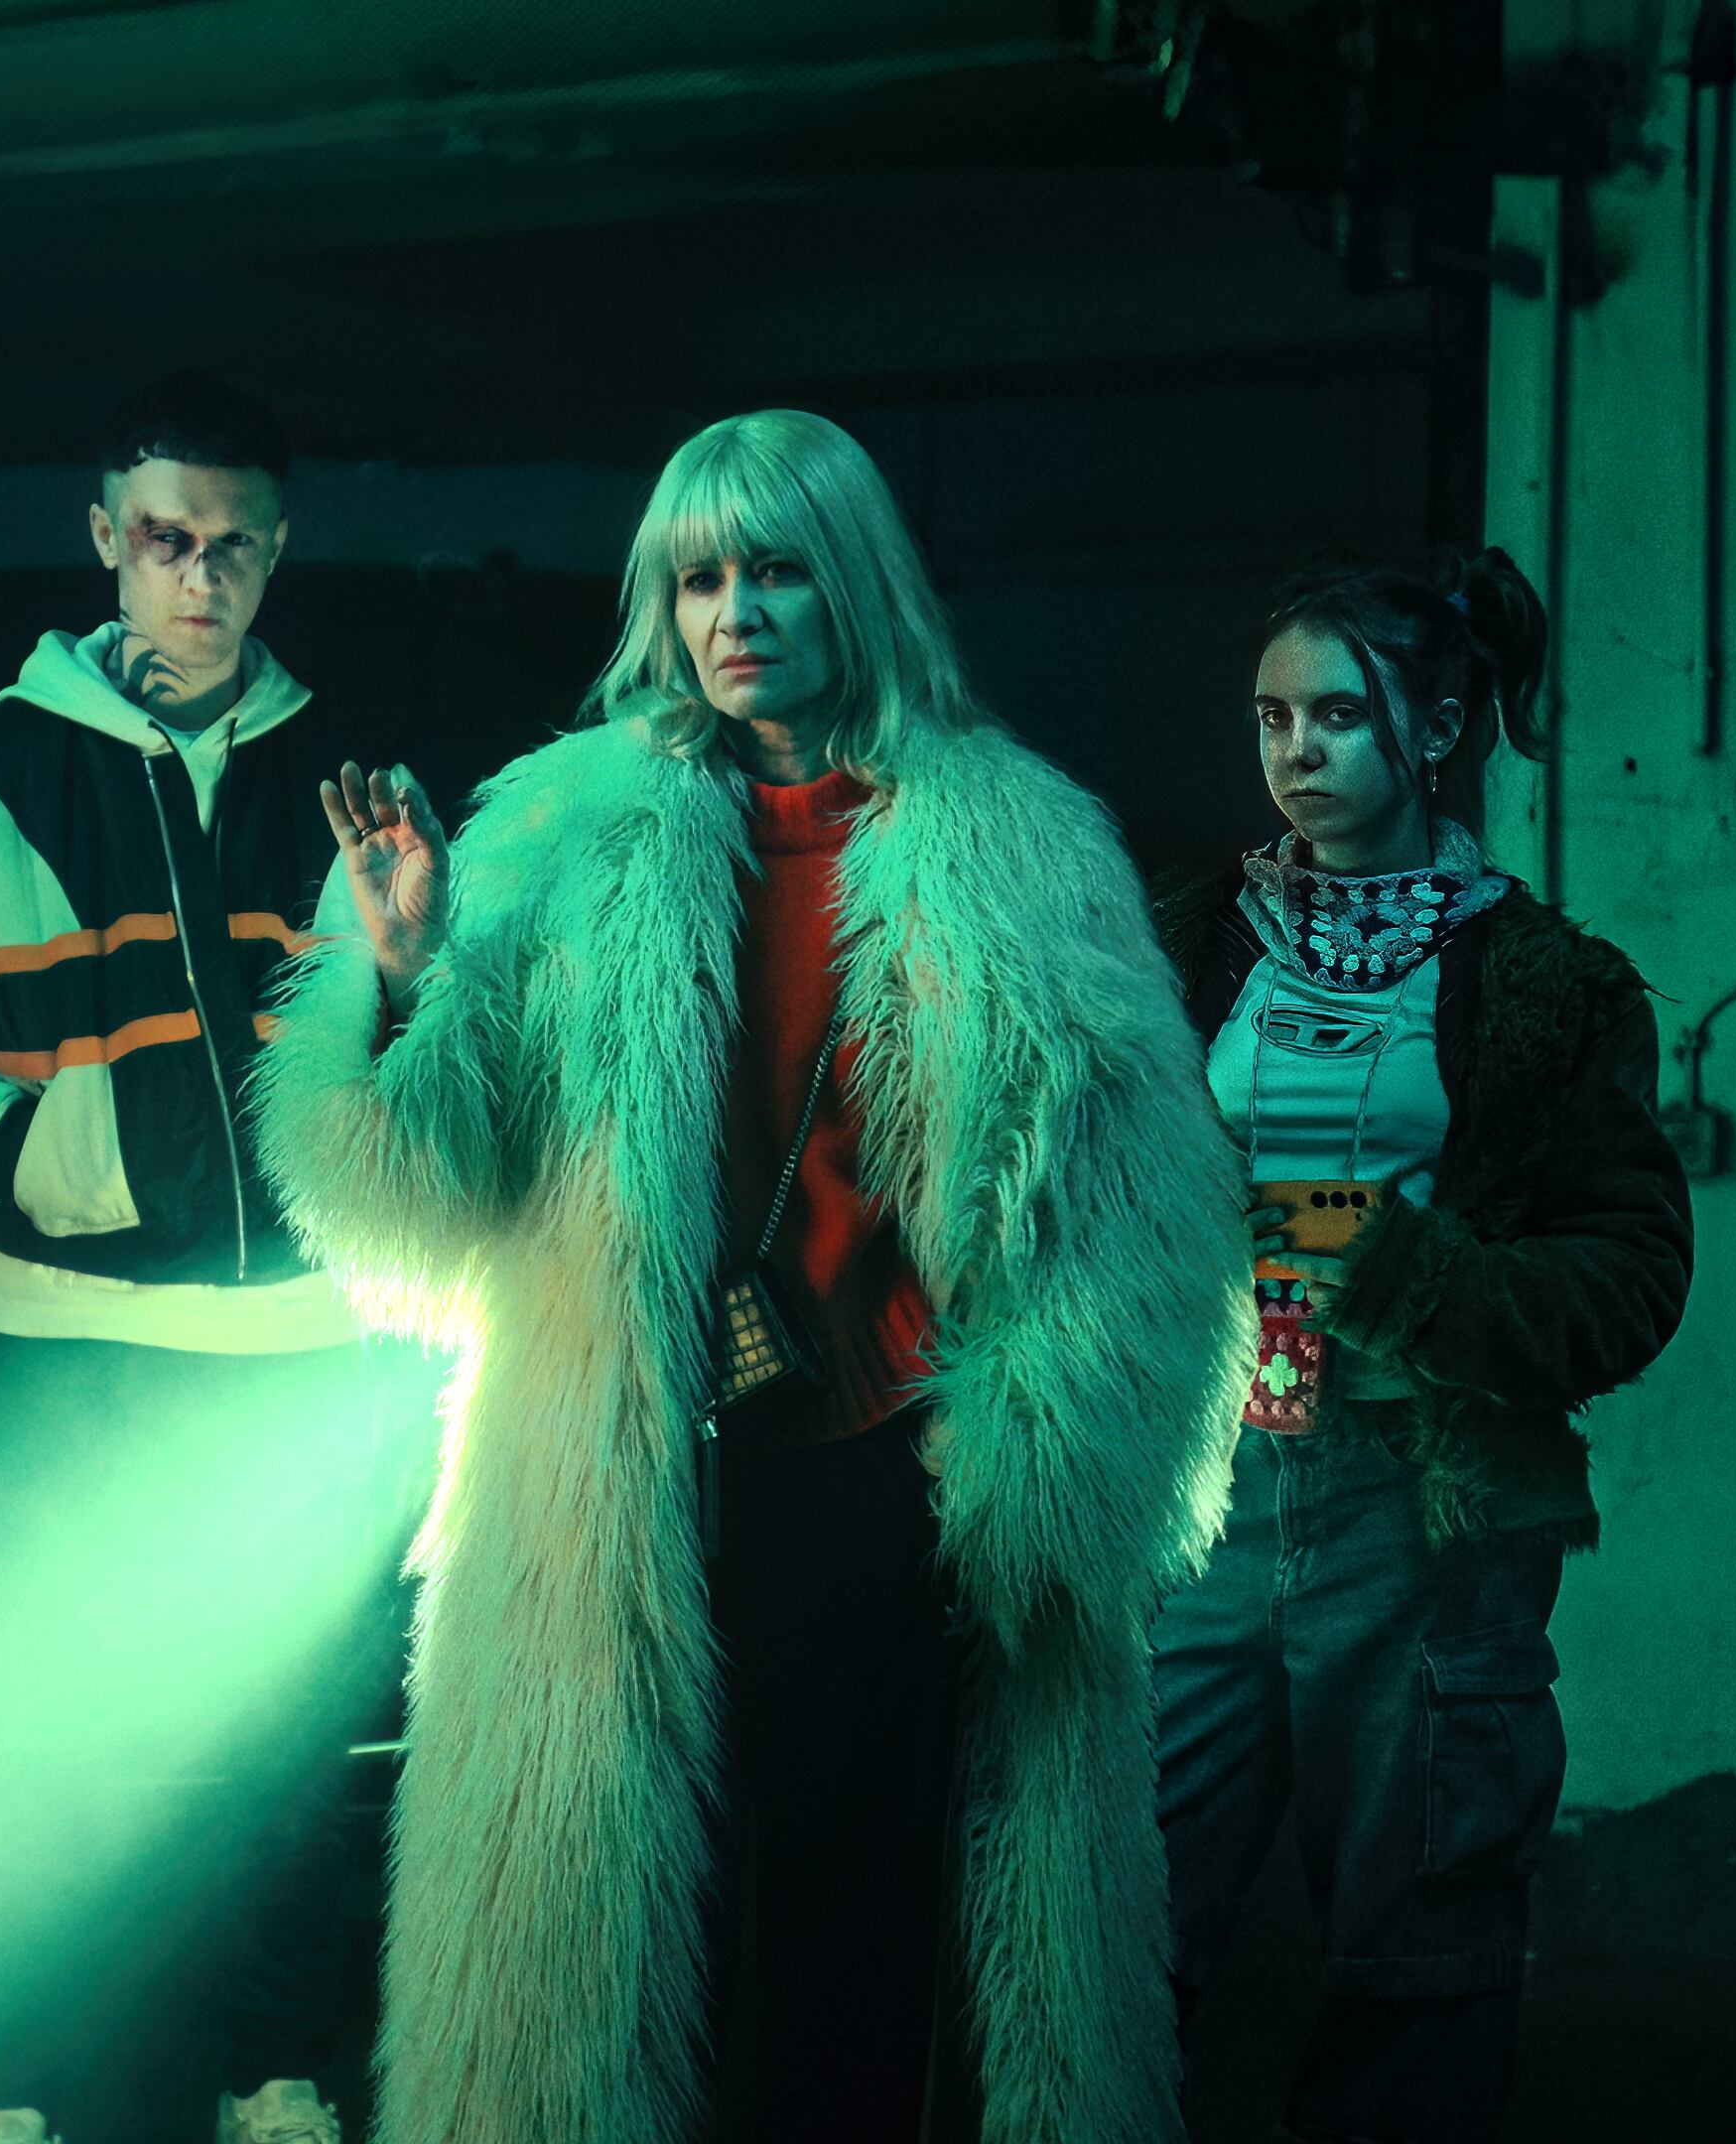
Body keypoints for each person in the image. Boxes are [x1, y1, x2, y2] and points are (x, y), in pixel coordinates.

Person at [253, 409, 1248, 2143]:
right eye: (699, 577)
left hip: (891, 1474)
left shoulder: (1021, 847)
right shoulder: (566, 834)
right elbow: (436, 1182)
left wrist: (1015, 1453)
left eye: (776, 568)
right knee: (626, 1963)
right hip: (617, 1475)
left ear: (855, 581)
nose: (736, 613)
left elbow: (1143, 1211)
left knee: (863, 1948)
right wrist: (407, 977)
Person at [0, 371, 390, 2144]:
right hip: (79, 1345)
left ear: (277, 551)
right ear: (104, 541)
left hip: (306, 1348)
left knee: (298, 1748)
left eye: (232, 546)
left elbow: (440, 1058)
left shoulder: (353, 784)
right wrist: (49, 1147)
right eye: (164, 539)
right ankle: (34, 2093)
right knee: (62, 1731)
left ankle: (268, 2077)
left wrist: (416, 973)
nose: (198, 577)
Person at [1148, 551, 1695, 2141]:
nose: (1296, 752)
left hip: (1420, 1509)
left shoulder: (1547, 987)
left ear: (1440, 730)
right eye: (1272, 718)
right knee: (1114, 1911)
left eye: (1340, 715)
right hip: (1201, 1493)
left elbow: (1629, 1274)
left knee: (1416, 1953)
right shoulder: (1185, 939)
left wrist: (1389, 1264)